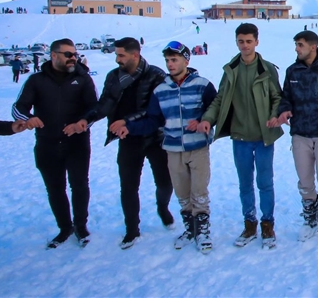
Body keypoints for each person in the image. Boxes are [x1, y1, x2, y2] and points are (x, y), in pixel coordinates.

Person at [69, 37, 172, 249]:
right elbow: (105, 104)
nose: (117, 59)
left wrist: (127, 120)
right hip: (127, 139)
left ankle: (162, 207)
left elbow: (157, 110)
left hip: (155, 137)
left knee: (165, 182)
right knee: (128, 186)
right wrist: (86, 120)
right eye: (117, 55)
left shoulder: (156, 75)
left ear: (135, 55)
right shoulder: (114, 77)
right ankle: (132, 229)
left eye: (121, 55)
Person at [115, 42, 218, 253]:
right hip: (172, 149)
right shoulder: (161, 90)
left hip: (198, 147)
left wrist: (204, 122)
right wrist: (130, 128)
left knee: (199, 191)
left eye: (175, 60)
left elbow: (215, 111)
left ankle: (203, 231)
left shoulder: (202, 85)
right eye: (168, 61)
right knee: (181, 192)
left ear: (186, 61)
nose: (170, 65)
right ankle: (190, 229)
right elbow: (154, 120)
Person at [198, 23, 284, 249]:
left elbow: (277, 97)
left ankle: (267, 224)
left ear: (257, 41)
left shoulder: (266, 69)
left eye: (249, 41)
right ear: (236, 42)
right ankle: (249, 224)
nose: (245, 45)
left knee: (265, 183)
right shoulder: (230, 69)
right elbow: (219, 99)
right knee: (245, 183)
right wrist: (208, 119)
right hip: (240, 136)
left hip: (263, 136)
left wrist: (275, 115)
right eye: (241, 41)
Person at [12, 38, 98, 248]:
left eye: (75, 54)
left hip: (76, 142)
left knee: (79, 185)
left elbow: (95, 108)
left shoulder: (83, 78)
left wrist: (83, 122)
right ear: (54, 55)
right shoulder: (36, 80)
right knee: (55, 188)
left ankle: (80, 226)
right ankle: (64, 227)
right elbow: (18, 107)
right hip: (47, 143)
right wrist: (27, 118)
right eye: (68, 54)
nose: (73, 58)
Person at [271, 30, 318, 243]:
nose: (297, 49)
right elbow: (285, 97)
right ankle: (311, 220)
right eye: (296, 44)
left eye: (300, 45)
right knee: (305, 182)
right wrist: (284, 110)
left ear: (313, 47)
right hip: (299, 134)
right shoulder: (292, 71)